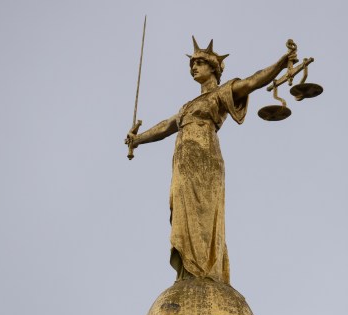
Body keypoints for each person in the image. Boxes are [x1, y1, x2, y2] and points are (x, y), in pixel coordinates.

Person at [126, 37, 296, 285]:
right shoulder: (187, 106)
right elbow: (166, 126)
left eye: (200, 63)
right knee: (184, 211)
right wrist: (138, 139)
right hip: (183, 159)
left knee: (204, 210)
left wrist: (281, 63)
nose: (194, 68)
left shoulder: (220, 93)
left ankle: (207, 268)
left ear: (213, 68)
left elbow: (253, 81)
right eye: (192, 64)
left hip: (205, 156)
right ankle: (189, 269)